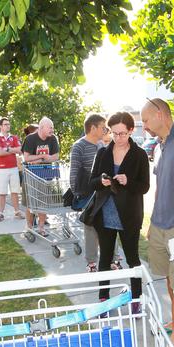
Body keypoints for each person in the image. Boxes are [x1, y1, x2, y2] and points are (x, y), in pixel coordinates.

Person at [140, 97, 174, 347]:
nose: (144, 127)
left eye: (146, 120)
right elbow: (161, 186)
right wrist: (152, 221)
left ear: (160, 114)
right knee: (170, 282)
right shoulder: (158, 146)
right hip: (159, 225)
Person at [85, 111, 150, 312]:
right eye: (114, 133)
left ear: (131, 131)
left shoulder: (139, 155)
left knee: (132, 259)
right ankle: (103, 300)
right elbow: (92, 182)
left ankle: (136, 299)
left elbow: (145, 186)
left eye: (122, 133)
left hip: (129, 215)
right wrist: (102, 181)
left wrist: (129, 182)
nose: (118, 138)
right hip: (105, 213)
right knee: (105, 257)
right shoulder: (103, 152)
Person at [69, 113, 107, 272]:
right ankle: (91, 262)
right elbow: (74, 171)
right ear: (93, 128)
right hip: (87, 193)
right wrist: (77, 193)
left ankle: (112, 258)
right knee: (91, 226)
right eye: (103, 127)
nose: (105, 130)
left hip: (103, 192)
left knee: (107, 225)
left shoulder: (101, 145)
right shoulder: (79, 146)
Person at [22, 117, 60, 236]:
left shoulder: (53, 139)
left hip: (46, 174)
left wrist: (42, 159)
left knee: (43, 201)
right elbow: (27, 158)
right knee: (30, 202)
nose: (52, 130)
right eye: (50, 127)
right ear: (42, 127)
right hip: (31, 174)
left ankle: (41, 227)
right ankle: (29, 227)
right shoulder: (30, 139)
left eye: (52, 127)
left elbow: (56, 156)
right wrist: (43, 158)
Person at [0, 117, 24, 221]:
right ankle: (0, 213)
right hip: (2, 169)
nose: (8, 126)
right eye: (5, 124)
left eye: (8, 124)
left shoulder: (14, 137)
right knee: (2, 192)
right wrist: (12, 150)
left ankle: (17, 211)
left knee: (15, 191)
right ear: (0, 126)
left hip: (14, 168)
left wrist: (8, 149)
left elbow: (20, 150)